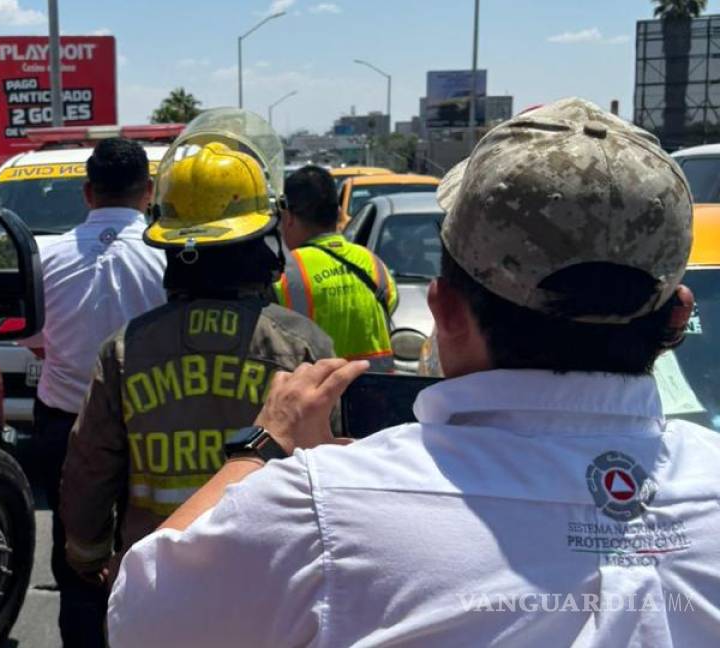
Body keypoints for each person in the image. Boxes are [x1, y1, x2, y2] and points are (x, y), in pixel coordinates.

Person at [107, 98, 720, 646]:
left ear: (444, 311)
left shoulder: (320, 510)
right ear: (676, 318)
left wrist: (263, 445)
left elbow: (139, 615)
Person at [59, 109, 335, 642]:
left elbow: (91, 468)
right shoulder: (302, 348)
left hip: (157, 595)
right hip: (273, 596)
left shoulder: (126, 351)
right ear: (263, 238)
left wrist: (88, 553)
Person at [21, 137, 166, 648]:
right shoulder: (168, 258)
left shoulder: (42, 257)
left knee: (75, 561)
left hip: (66, 429)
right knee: (154, 554)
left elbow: (37, 344)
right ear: (148, 192)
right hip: (149, 432)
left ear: (87, 192)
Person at [276, 165, 398, 368]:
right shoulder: (374, 264)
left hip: (321, 395)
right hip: (378, 394)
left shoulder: (285, 274)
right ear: (339, 213)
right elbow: (391, 306)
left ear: (288, 218)